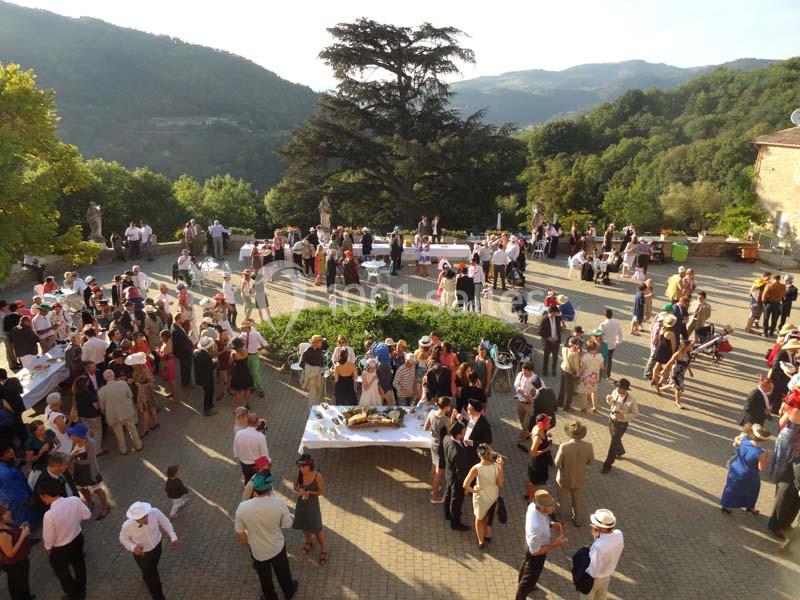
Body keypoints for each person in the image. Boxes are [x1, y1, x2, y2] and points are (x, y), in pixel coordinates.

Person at [234, 472, 299, 600]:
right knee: (283, 573)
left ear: (254, 490)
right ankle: (289, 592)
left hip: (258, 551)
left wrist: (250, 543)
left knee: (265, 578)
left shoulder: (242, 508)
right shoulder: (279, 504)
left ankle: (270, 597)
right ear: (269, 488)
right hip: (277, 547)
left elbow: (240, 536)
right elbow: (287, 524)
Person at [39, 479, 91, 600]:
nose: (41, 499)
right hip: (77, 539)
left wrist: (48, 550)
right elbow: (87, 515)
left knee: (63, 573)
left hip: (60, 549)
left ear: (46, 495)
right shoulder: (74, 500)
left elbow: (48, 539)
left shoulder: (49, 515)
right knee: (79, 565)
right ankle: (82, 591)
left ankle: (73, 595)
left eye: (41, 497)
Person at [119, 501, 179, 600]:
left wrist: (173, 536)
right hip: (142, 554)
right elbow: (122, 538)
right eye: (140, 518)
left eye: (145, 516)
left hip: (157, 546)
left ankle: (146, 574)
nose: (144, 519)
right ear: (134, 518)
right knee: (153, 579)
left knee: (152, 567)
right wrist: (133, 547)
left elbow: (165, 522)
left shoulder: (155, 512)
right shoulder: (127, 526)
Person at [515, 490, 567, 600]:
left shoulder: (533, 507)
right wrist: (555, 544)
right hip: (536, 553)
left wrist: (551, 524)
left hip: (529, 545)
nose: (553, 508)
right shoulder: (536, 527)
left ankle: (525, 583)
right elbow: (535, 552)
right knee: (529, 579)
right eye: (551, 506)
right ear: (543, 507)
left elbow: (543, 521)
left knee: (525, 564)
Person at [720, 424, 772, 515]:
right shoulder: (760, 453)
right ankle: (750, 507)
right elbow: (761, 468)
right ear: (765, 440)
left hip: (735, 470)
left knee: (731, 488)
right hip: (749, 476)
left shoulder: (745, 440)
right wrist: (767, 457)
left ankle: (726, 506)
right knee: (752, 491)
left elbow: (737, 441)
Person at [463, 443, 504, 549]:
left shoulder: (476, 468)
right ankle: (487, 532)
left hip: (481, 497)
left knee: (479, 518)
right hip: (492, 496)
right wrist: (501, 467)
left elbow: (465, 485)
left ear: (479, 455)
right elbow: (500, 483)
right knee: (487, 516)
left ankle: (481, 541)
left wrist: (473, 490)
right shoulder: (496, 466)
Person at [554, 421, 594, 527]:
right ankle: (577, 519)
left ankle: (561, 519)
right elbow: (590, 462)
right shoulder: (589, 446)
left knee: (562, 499)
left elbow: (557, 463)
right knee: (577, 499)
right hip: (579, 478)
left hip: (564, 478)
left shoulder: (564, 446)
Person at [67, 423, 110, 520]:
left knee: (97, 490)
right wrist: (72, 456)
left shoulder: (90, 443)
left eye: (73, 435)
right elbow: (71, 454)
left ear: (79, 436)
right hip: (79, 472)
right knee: (83, 489)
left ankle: (105, 507)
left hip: (90, 472)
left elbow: (90, 460)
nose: (71, 436)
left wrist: (74, 459)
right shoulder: (75, 442)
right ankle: (90, 503)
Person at [292, 454, 328, 565]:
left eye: (303, 466)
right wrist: (300, 491)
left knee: (317, 528)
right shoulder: (298, 473)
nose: (301, 469)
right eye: (300, 466)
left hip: (312, 505)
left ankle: (324, 550)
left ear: (309, 466)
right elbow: (295, 486)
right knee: (304, 525)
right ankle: (309, 541)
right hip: (301, 504)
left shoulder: (317, 476)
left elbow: (320, 492)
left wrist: (310, 492)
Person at [98, 369, 143, 454]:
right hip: (126, 410)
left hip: (113, 414)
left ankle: (123, 449)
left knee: (118, 432)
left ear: (105, 379)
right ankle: (138, 445)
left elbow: (102, 406)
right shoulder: (123, 383)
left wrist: (105, 411)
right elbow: (130, 395)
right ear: (114, 375)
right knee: (132, 428)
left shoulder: (101, 391)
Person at [582, 509, 625, 599]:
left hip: (594, 579)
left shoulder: (598, 547)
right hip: (607, 575)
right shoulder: (619, 534)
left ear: (599, 527)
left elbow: (592, 571)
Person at [601, 379, 638, 473]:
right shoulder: (615, 392)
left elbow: (635, 413)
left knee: (613, 443)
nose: (617, 389)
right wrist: (608, 400)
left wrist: (623, 416)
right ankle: (620, 451)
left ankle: (607, 465)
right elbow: (611, 403)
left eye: (620, 388)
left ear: (625, 390)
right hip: (611, 419)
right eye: (618, 387)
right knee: (615, 439)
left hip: (622, 424)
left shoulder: (632, 400)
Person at [0, 500, 33, 600]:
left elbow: (12, 537)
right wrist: (23, 535)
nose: (9, 511)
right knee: (19, 587)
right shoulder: (2, 535)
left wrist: (20, 529)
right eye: (6, 511)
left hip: (19, 562)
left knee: (22, 584)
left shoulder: (6, 525)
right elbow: (10, 553)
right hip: (15, 565)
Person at [443, 421, 471, 531]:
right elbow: (461, 470)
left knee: (448, 493)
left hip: (449, 473)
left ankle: (447, 513)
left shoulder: (446, 438)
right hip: (457, 479)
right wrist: (466, 484)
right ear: (458, 434)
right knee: (456, 500)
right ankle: (455, 523)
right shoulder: (457, 451)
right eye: (463, 432)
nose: (464, 433)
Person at [656, 339, 694, 409]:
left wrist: (690, 371)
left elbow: (687, 364)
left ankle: (660, 388)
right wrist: (664, 370)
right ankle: (677, 402)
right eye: (690, 345)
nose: (691, 347)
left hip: (682, 373)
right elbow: (670, 362)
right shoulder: (678, 354)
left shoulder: (688, 354)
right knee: (678, 387)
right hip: (675, 372)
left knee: (673, 385)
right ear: (685, 346)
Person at [233, 413, 270, 484]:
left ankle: (247, 490)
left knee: (247, 478)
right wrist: (267, 464)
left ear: (247, 422)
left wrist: (237, 456)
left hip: (244, 463)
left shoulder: (239, 433)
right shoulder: (260, 437)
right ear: (257, 423)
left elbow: (235, 447)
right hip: (256, 464)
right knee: (257, 482)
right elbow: (264, 454)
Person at [526, 413, 552, 502]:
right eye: (548, 423)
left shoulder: (537, 427)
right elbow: (532, 453)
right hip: (538, 462)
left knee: (531, 480)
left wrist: (546, 436)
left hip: (538, 461)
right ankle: (530, 499)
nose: (550, 424)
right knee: (533, 483)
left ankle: (527, 494)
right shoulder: (538, 437)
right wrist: (545, 449)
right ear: (543, 424)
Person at [239, 319, 267, 398]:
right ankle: (253, 386)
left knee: (255, 373)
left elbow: (265, 343)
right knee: (250, 372)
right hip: (246, 356)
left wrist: (258, 349)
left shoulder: (256, 334)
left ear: (248, 328)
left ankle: (260, 389)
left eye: (243, 328)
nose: (242, 329)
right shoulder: (242, 335)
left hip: (254, 356)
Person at [514, 362, 539, 451]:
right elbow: (516, 385)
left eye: (525, 371)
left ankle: (520, 441)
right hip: (520, 402)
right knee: (522, 421)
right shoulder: (520, 375)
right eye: (522, 370)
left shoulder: (535, 379)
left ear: (530, 371)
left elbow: (539, 391)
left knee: (525, 424)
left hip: (529, 405)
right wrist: (523, 393)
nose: (523, 373)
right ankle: (528, 433)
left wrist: (532, 397)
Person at [577, 339, 604, 413]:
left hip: (586, 377)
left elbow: (582, 368)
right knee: (594, 391)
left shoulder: (585, 357)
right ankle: (594, 407)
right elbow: (602, 367)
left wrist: (578, 374)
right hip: (595, 377)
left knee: (584, 392)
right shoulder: (600, 356)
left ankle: (584, 407)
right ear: (596, 348)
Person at [193, 336, 218, 416]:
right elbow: (211, 367)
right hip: (207, 378)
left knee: (207, 391)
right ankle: (207, 410)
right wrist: (215, 362)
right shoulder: (207, 356)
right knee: (208, 393)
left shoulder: (195, 352)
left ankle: (210, 404)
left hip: (199, 377)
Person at [558, 338, 582, 411]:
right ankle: (567, 407)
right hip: (570, 373)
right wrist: (578, 375)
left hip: (563, 368)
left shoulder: (564, 349)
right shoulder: (575, 354)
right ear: (576, 345)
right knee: (569, 390)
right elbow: (576, 367)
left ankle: (559, 403)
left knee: (562, 387)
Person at [230, 337, 254, 409]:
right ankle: (247, 404)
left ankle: (238, 408)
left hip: (237, 374)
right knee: (247, 389)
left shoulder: (233, 354)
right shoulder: (246, 351)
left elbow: (230, 363)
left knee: (237, 392)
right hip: (246, 372)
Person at [299, 335, 325, 402]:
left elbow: (321, 361)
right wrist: (313, 370)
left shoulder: (319, 350)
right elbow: (301, 364)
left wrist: (322, 369)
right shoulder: (307, 351)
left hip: (318, 375)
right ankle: (312, 408)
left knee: (318, 393)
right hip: (311, 376)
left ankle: (316, 406)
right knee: (313, 394)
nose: (322, 343)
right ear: (315, 343)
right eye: (320, 342)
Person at [539, 306, 563, 377]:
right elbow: (540, 332)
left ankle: (553, 370)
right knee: (546, 357)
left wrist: (561, 329)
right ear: (552, 312)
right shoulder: (544, 320)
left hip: (556, 342)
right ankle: (545, 370)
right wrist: (548, 338)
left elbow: (558, 330)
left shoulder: (557, 319)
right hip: (547, 342)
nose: (557, 314)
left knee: (555, 357)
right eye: (556, 312)